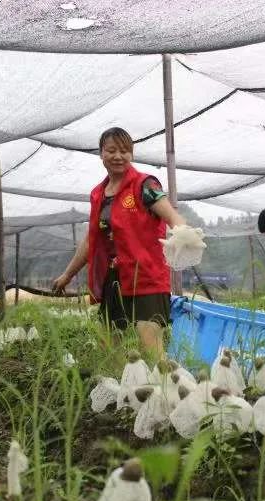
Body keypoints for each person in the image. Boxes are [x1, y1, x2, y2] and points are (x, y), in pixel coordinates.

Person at [52, 127, 186, 357]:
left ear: (131, 155)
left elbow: (171, 215)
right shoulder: (99, 194)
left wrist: (183, 232)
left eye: (124, 151)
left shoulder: (145, 185)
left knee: (151, 348)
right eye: (111, 150)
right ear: (101, 154)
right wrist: (67, 275)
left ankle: (165, 391)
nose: (118, 156)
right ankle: (118, 391)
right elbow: (91, 241)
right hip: (113, 280)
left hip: (146, 278)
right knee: (109, 349)